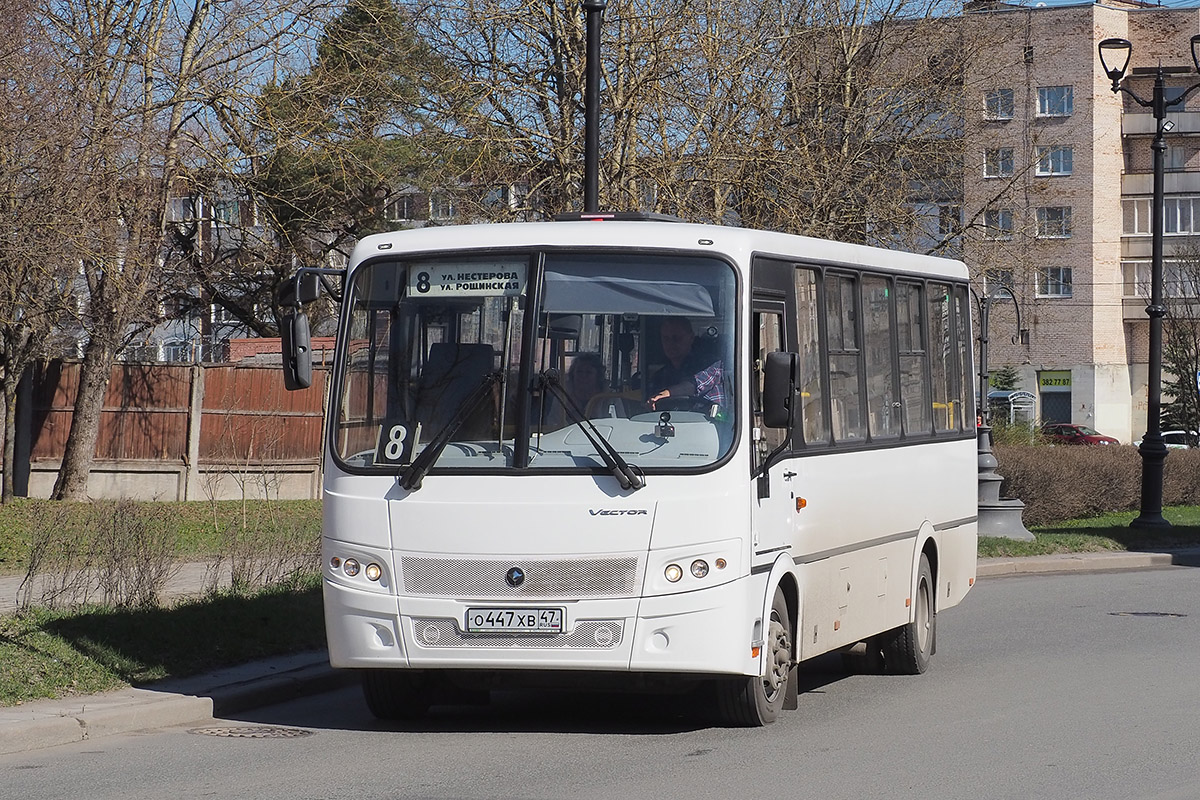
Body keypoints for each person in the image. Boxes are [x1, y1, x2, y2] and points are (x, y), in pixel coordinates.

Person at [648, 316, 726, 411]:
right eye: (666, 338)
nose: (670, 343)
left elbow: (693, 385)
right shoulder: (660, 377)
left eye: (677, 338)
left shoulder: (712, 365)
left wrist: (666, 394)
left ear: (691, 338)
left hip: (708, 424)